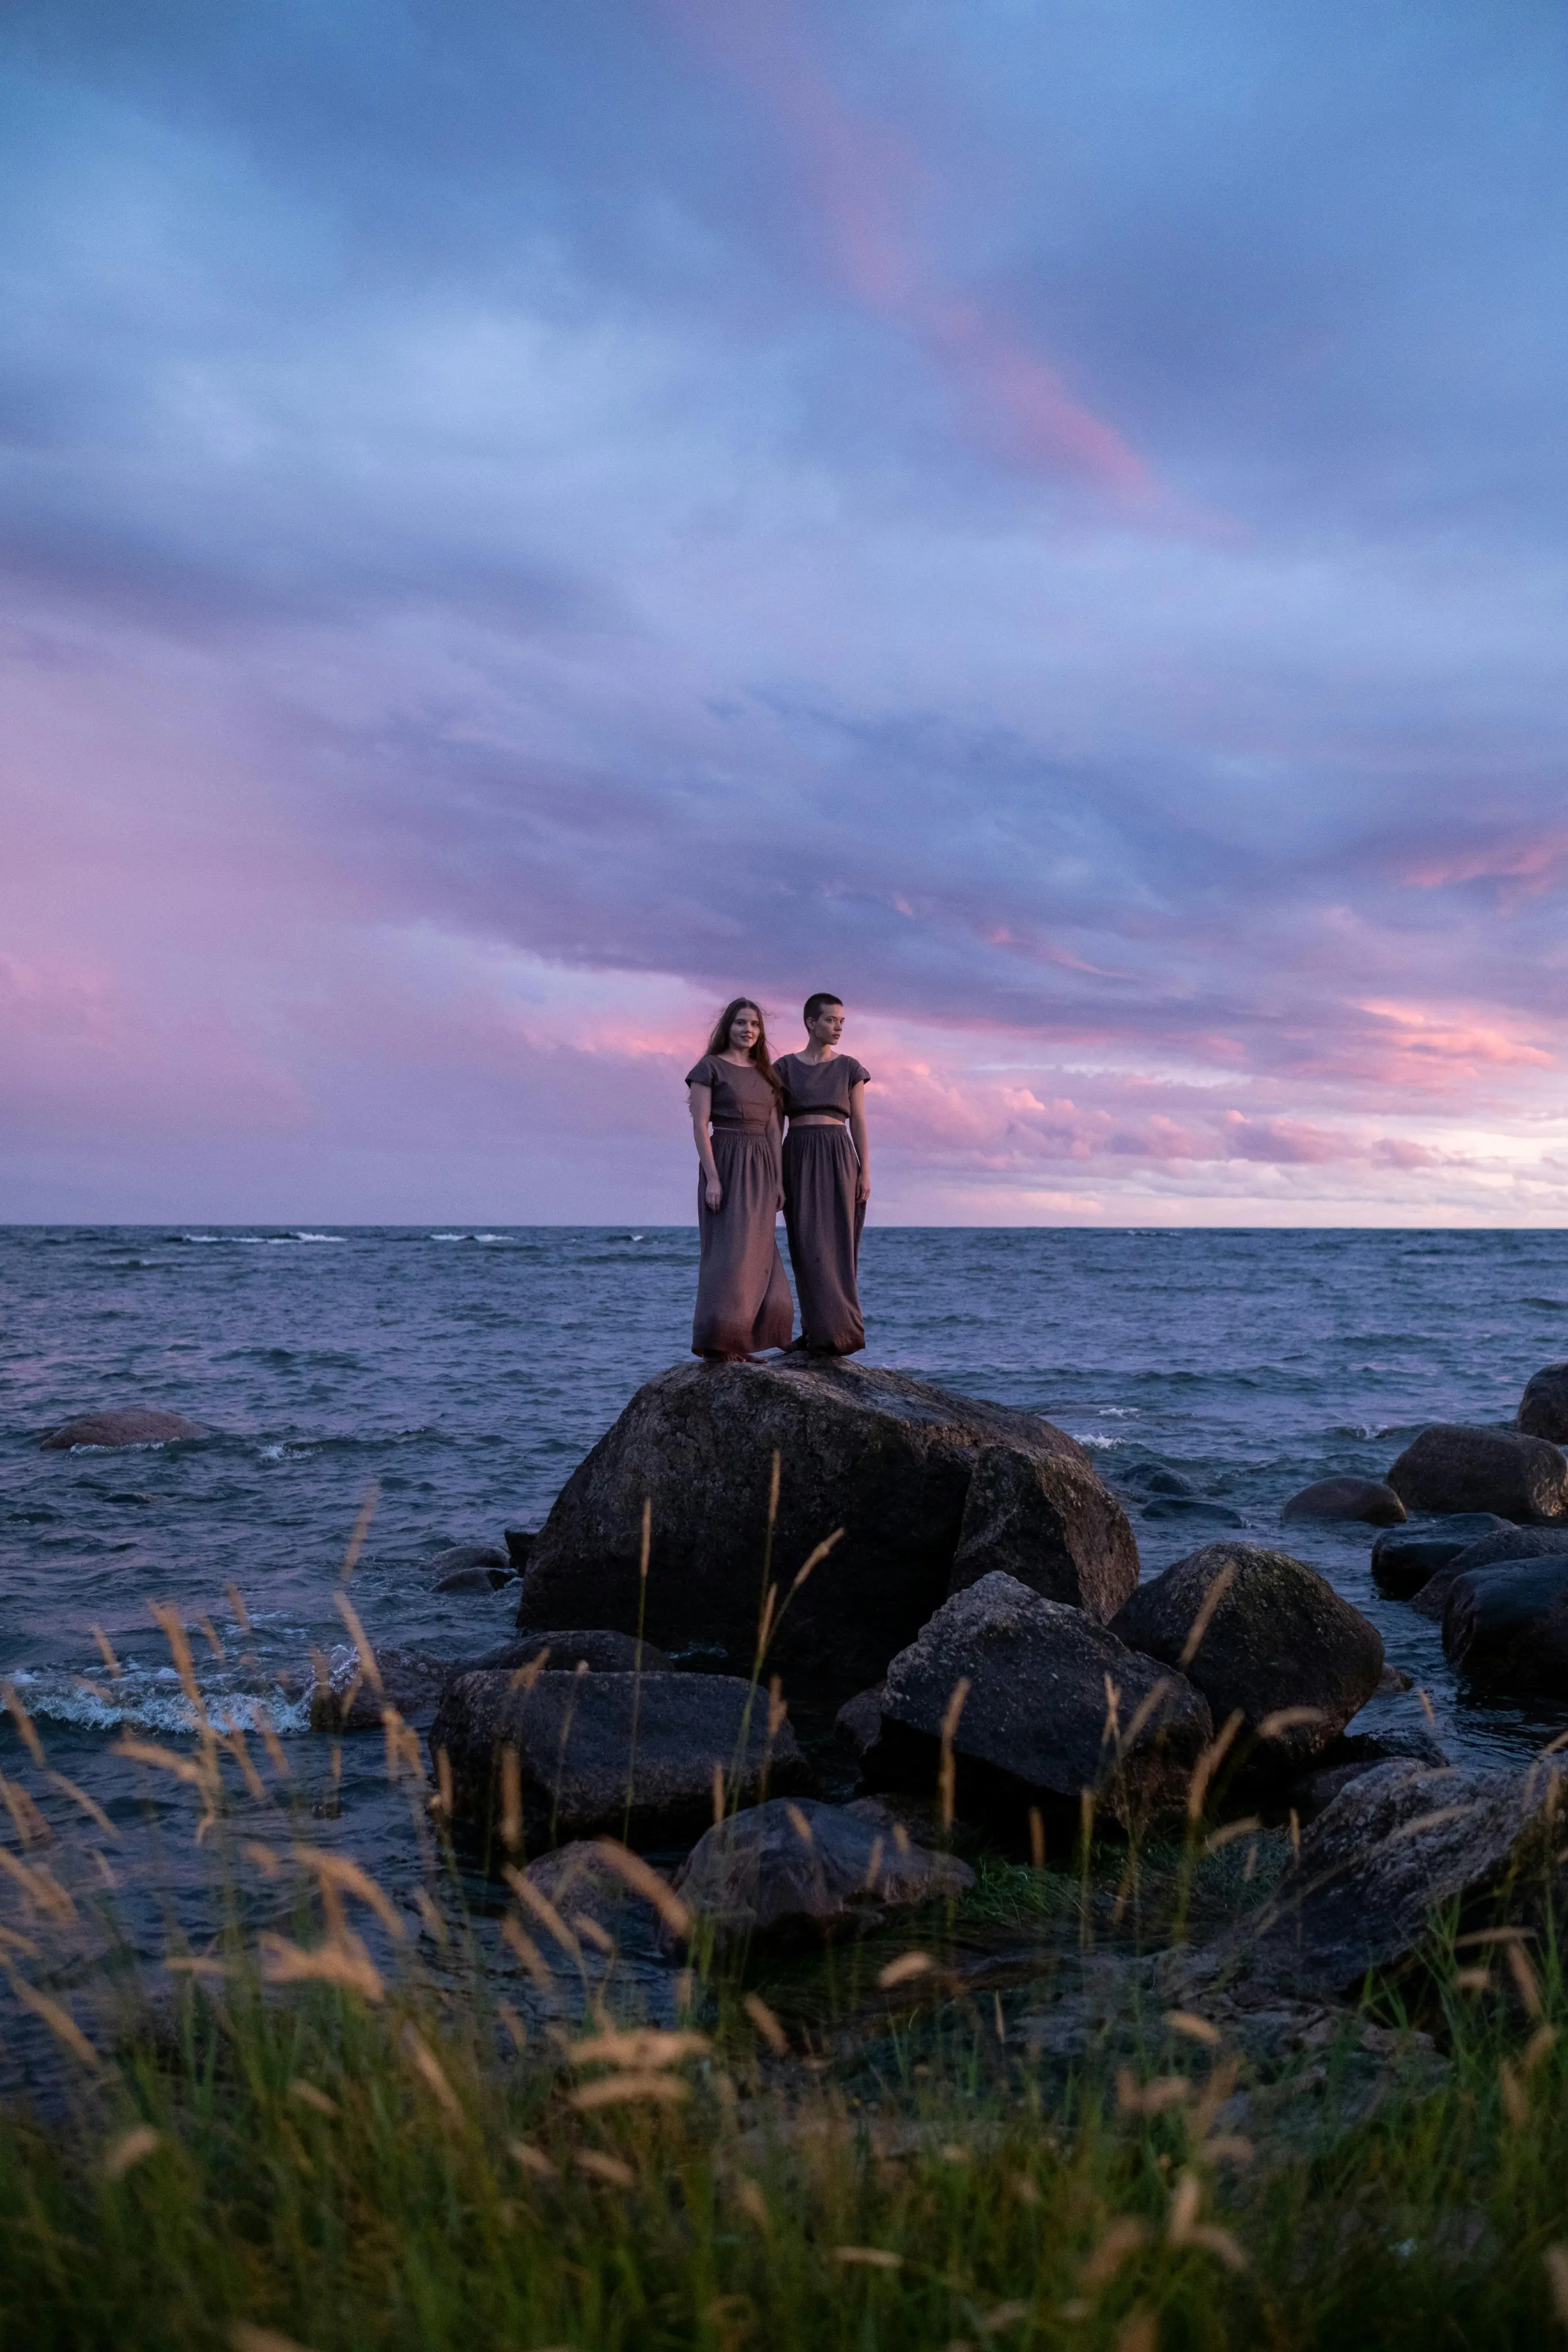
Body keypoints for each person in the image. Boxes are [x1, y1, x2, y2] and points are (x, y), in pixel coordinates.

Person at [686, 999, 795, 1360]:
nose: (748, 1030)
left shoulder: (768, 1074)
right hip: (726, 1160)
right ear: (727, 1028)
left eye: (754, 1025)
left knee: (759, 1250)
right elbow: (701, 1126)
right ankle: (722, 1339)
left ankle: (748, 1339)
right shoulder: (710, 1067)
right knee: (729, 1254)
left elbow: (774, 1130)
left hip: (761, 1166)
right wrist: (713, 1179)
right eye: (740, 1023)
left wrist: (778, 1181)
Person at [773, 992, 870, 1355]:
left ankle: (841, 1332)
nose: (838, 1027)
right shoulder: (784, 1068)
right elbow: (775, 1126)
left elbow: (859, 1121)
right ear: (811, 1024)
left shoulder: (850, 1067)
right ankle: (813, 1331)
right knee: (804, 1244)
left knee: (838, 1244)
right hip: (797, 1153)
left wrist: (865, 1172)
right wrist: (777, 1177)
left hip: (838, 1154)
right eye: (831, 1020)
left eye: (842, 1021)